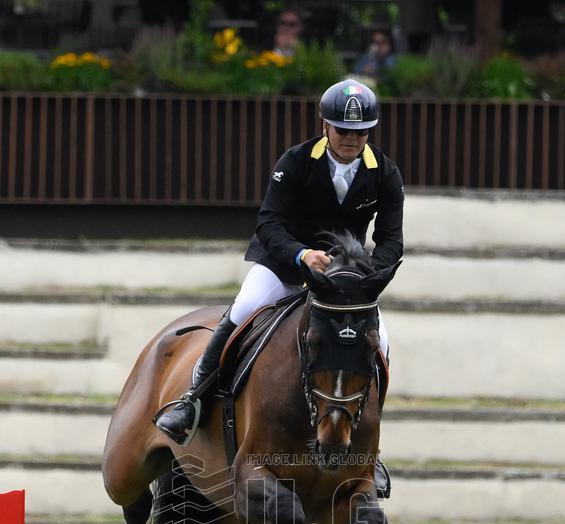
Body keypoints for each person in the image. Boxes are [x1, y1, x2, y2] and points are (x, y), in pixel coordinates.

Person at [156, 79, 404, 493]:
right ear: (325, 126)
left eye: (360, 132)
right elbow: (269, 223)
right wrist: (302, 255)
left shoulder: (385, 172)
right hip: (285, 266)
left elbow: (391, 239)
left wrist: (364, 277)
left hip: (342, 284)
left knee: (381, 344)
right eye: (343, 130)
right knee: (243, 308)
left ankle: (369, 447)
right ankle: (193, 400)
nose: (351, 139)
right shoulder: (296, 161)